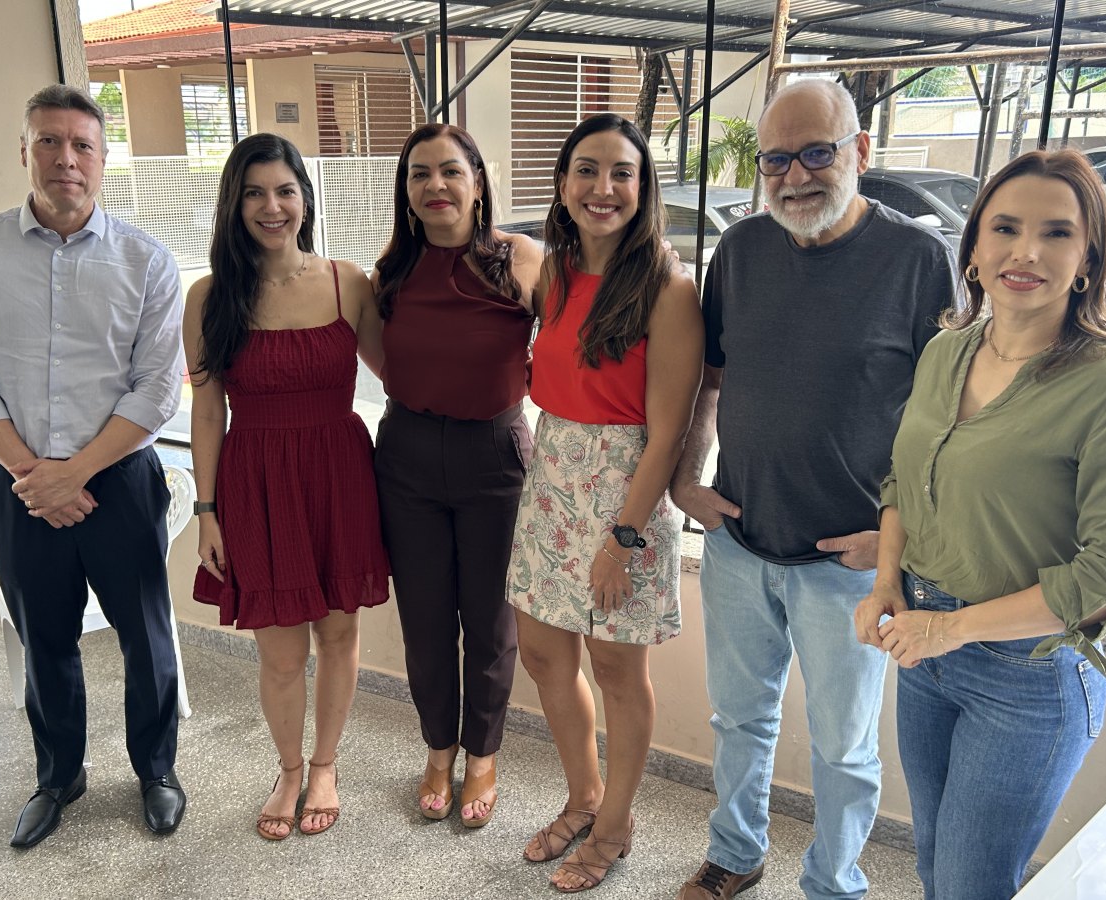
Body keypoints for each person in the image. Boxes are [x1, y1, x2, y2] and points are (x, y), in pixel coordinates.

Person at [669, 79, 957, 900]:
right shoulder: (740, 251)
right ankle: (735, 853)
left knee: (844, 747)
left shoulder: (918, 261)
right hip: (739, 542)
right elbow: (712, 380)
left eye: (817, 153)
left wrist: (898, 539)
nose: (794, 176)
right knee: (739, 720)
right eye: (776, 160)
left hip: (852, 565)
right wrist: (688, 477)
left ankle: (833, 884)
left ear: (860, 151)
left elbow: (950, 424)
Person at [854, 149, 1106, 900]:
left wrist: (951, 629)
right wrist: (886, 583)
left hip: (1030, 675)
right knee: (932, 865)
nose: (1026, 252)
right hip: (925, 646)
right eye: (1006, 228)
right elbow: (903, 480)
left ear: (1087, 260)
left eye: (1056, 233)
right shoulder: (946, 351)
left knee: (970, 883)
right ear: (974, 248)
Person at [0, 84, 186, 847]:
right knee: (42, 637)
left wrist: (74, 472)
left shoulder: (147, 260)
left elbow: (156, 390)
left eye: (82, 145)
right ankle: (59, 777)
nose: (66, 159)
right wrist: (36, 475)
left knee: (145, 635)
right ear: (25, 151)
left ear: (104, 159)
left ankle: (157, 771)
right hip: (20, 484)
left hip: (121, 481)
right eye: (49, 141)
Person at [509, 113, 703, 892]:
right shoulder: (551, 273)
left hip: (625, 494)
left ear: (643, 187)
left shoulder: (668, 288)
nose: (603, 187)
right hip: (552, 477)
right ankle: (584, 796)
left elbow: (670, 432)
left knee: (618, 670)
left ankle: (616, 825)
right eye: (586, 169)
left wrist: (623, 540)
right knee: (542, 654)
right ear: (562, 183)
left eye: (622, 172)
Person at [185, 133, 389, 840]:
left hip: (339, 475)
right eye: (254, 193)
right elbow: (206, 410)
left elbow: (402, 374)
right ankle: (289, 769)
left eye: (285, 191)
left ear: (305, 198)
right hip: (256, 483)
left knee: (338, 631)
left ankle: (325, 764)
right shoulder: (209, 296)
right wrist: (207, 511)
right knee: (278, 652)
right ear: (234, 204)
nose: (272, 207)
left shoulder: (347, 282)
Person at [371, 124, 541, 828]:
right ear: (407, 192)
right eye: (419, 174)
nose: (434, 185)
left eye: (449, 170)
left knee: (490, 620)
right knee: (425, 619)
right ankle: (438, 748)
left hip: (494, 452)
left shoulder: (520, 258)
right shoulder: (391, 270)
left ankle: (483, 755)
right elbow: (384, 358)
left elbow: (571, 336)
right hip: (406, 454)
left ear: (477, 181)